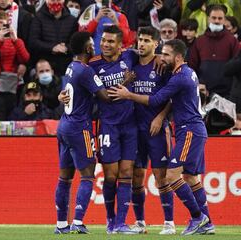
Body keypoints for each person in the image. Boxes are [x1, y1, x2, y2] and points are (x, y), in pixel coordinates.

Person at [108, 39, 214, 235]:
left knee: (171, 175)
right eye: (161, 54)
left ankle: (198, 218)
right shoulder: (185, 73)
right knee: (190, 177)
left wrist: (128, 94)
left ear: (179, 57)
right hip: (191, 129)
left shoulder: (179, 77)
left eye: (166, 54)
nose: (162, 58)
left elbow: (156, 99)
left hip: (189, 129)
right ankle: (208, 224)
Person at [53, 31, 111, 234]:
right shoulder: (86, 71)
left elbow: (70, 93)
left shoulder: (71, 67)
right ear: (87, 48)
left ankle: (61, 225)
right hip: (80, 127)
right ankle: (77, 221)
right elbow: (105, 96)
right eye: (92, 44)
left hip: (64, 125)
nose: (94, 46)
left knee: (65, 178)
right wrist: (127, 83)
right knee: (87, 175)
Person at [88, 25, 138, 234]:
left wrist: (161, 60)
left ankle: (120, 223)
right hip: (107, 124)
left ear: (120, 45)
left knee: (127, 173)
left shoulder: (131, 57)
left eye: (110, 42)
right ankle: (110, 220)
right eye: (103, 41)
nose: (105, 45)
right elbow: (100, 93)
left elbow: (150, 57)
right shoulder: (93, 65)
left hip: (130, 124)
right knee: (110, 175)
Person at [128, 26, 175, 235]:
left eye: (147, 40)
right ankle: (139, 222)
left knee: (161, 177)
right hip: (135, 130)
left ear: (156, 44)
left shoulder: (162, 67)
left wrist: (161, 117)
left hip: (156, 129)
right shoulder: (131, 64)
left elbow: (172, 97)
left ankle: (169, 223)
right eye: (140, 40)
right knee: (136, 176)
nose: (142, 44)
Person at [0, 10, 30, 118]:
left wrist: (16, 40)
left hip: (9, 84)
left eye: (1, 22)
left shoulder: (16, 41)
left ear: (8, 23)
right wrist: (0, 40)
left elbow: (25, 58)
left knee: (9, 116)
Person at [189, 4, 240, 98]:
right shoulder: (200, 41)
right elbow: (192, 67)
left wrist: (233, 93)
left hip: (226, 94)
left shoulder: (232, 41)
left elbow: (237, 68)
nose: (217, 21)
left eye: (220, 18)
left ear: (224, 20)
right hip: (203, 93)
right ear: (209, 19)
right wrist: (197, 85)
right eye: (214, 18)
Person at [29, 0, 78, 77]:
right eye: (52, 0)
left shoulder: (72, 20)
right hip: (44, 67)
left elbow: (75, 43)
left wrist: (66, 48)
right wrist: (52, 47)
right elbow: (33, 42)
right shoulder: (38, 18)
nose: (55, 2)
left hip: (65, 67)